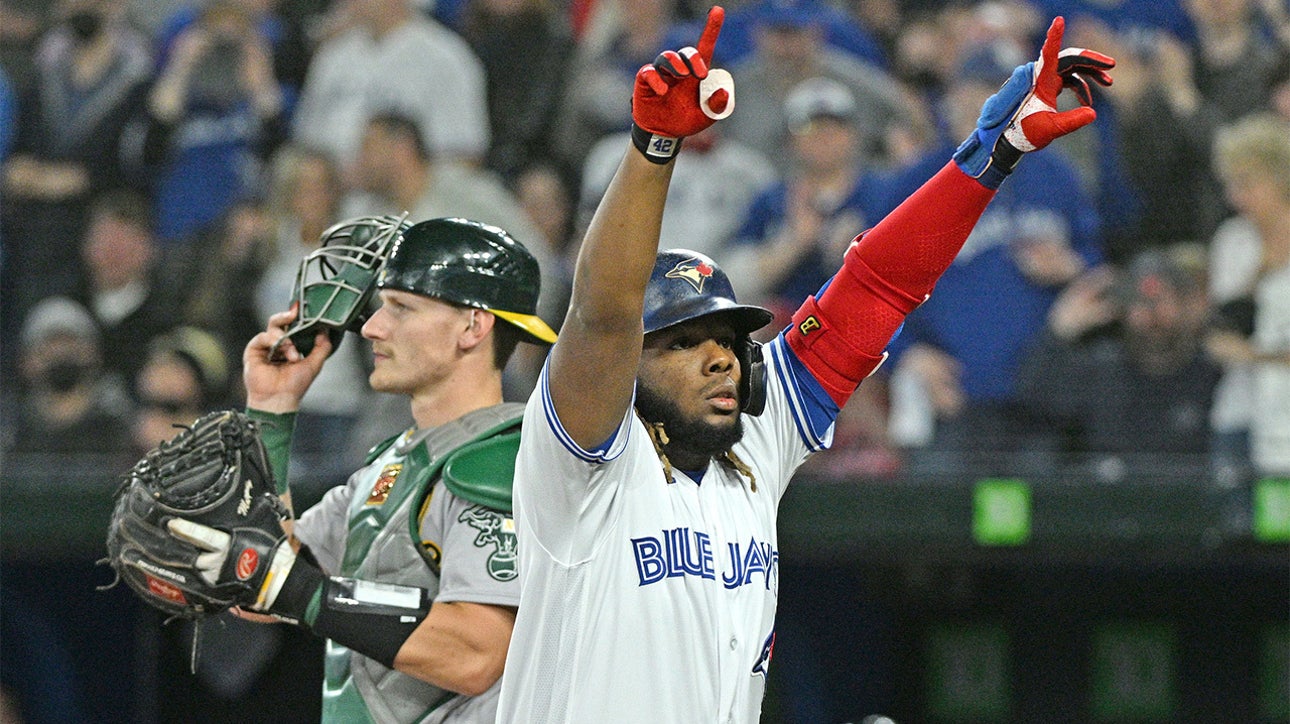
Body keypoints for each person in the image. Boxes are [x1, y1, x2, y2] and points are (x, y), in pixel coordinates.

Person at [498, 7, 1113, 720]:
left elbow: (879, 285)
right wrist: (653, 149)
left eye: (727, 341)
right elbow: (602, 315)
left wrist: (991, 156)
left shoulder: (756, 440)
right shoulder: (582, 465)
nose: (720, 360)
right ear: (628, 367)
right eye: (684, 343)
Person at [232, 216, 558, 721]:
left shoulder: (500, 461)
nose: (371, 327)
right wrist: (272, 411)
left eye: (401, 308)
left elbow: (474, 654)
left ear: (474, 326)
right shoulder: (390, 461)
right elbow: (258, 582)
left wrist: (303, 592)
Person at [1015, 245, 1221, 476]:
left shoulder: (1210, 370)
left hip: (1190, 504)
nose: (1151, 313)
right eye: (1139, 301)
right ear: (1122, 308)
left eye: (1162, 300)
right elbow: (1035, 397)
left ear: (1186, 305)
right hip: (1112, 503)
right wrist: (1059, 329)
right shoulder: (1103, 369)